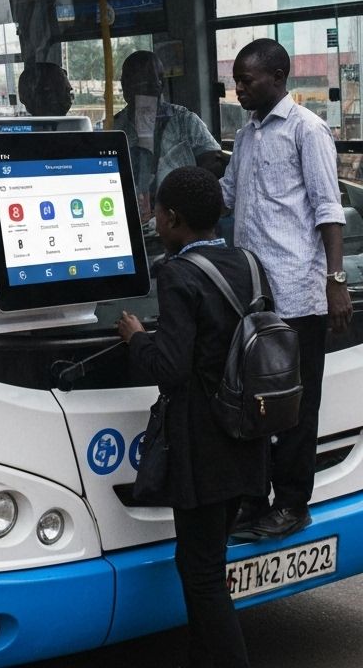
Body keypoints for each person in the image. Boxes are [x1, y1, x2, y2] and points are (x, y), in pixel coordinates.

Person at [118, 166, 269, 668]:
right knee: (202, 561)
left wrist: (137, 338)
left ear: (172, 219)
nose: (154, 219)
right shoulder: (247, 261)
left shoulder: (179, 275)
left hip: (203, 448)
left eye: (157, 212)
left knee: (202, 575)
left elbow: (170, 368)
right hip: (246, 435)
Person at [221, 38, 351, 541]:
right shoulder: (247, 135)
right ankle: (253, 501)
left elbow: (327, 208)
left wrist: (335, 281)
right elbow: (229, 195)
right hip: (253, 296)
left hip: (298, 295)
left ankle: (292, 504)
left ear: (278, 77)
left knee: (295, 406)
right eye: (236, 81)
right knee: (252, 401)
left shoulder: (307, 130)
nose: (239, 90)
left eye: (246, 80)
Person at [113, 51, 224, 217]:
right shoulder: (114, 128)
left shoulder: (185, 122)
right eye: (135, 85)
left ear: (160, 84)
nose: (142, 92)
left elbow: (213, 164)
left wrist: (181, 191)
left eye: (148, 85)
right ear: (124, 87)